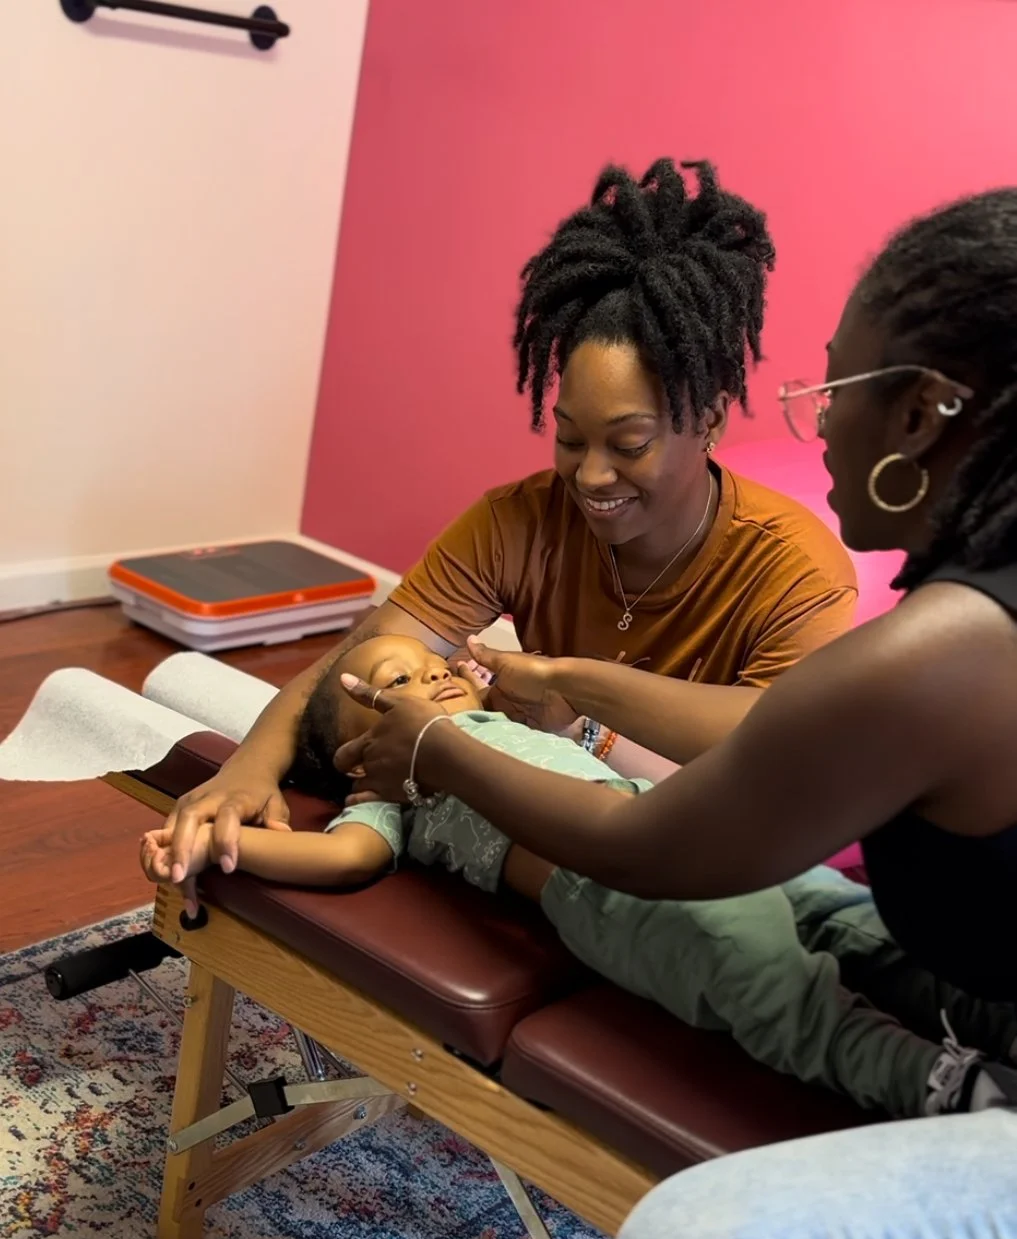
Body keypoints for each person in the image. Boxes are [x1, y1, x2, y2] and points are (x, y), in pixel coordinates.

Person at [332, 188, 1017, 1239]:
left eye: (833, 394)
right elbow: (777, 732)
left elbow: (663, 845)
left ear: (919, 410)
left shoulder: (940, 643)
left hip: (639, 851)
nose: (815, 431)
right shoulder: (963, 625)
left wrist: (438, 743)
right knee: (847, 935)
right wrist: (543, 694)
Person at [165, 158, 856, 882]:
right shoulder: (518, 521)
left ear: (708, 420)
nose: (589, 476)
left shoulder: (791, 569)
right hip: (560, 839)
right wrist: (247, 771)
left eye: (628, 445)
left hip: (714, 841)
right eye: (568, 437)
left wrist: (575, 691)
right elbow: (363, 662)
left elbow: (784, 758)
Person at [145, 632, 1017, 1119]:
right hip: (620, 898)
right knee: (772, 990)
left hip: (688, 834)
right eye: (397, 682)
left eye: (439, 668)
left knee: (850, 919)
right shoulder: (393, 791)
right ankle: (944, 1088)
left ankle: (987, 1017)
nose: (433, 679)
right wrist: (220, 850)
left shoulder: (528, 731)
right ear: (356, 750)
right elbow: (344, 857)